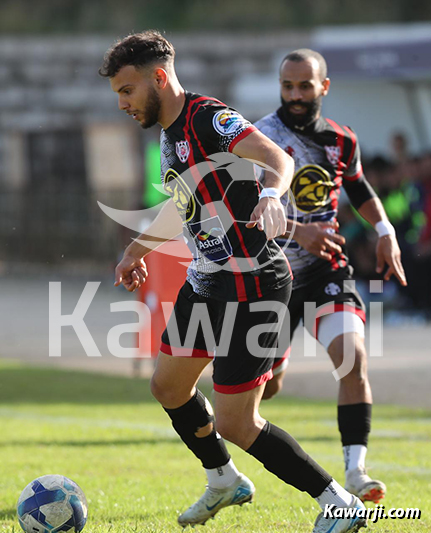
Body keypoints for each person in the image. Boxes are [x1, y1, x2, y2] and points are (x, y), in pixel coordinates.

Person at [99, 32, 367, 532]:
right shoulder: (167, 129)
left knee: (237, 423)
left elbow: (278, 158)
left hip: (253, 283)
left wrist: (270, 194)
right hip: (206, 280)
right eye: (118, 93)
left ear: (159, 77)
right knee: (168, 385)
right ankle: (223, 479)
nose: (122, 103)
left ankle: (339, 502)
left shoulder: (207, 118)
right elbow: (187, 208)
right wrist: (134, 251)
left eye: (127, 90)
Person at [255, 48, 407, 505]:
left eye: (305, 86)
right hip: (273, 277)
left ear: (324, 86)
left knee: (353, 358)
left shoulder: (342, 140)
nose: (295, 95)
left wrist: (385, 230)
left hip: (327, 271)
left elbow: (359, 187)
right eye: (287, 86)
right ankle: (230, 455)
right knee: (268, 385)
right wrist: (300, 231)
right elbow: (244, 203)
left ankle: (356, 471)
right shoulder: (261, 136)